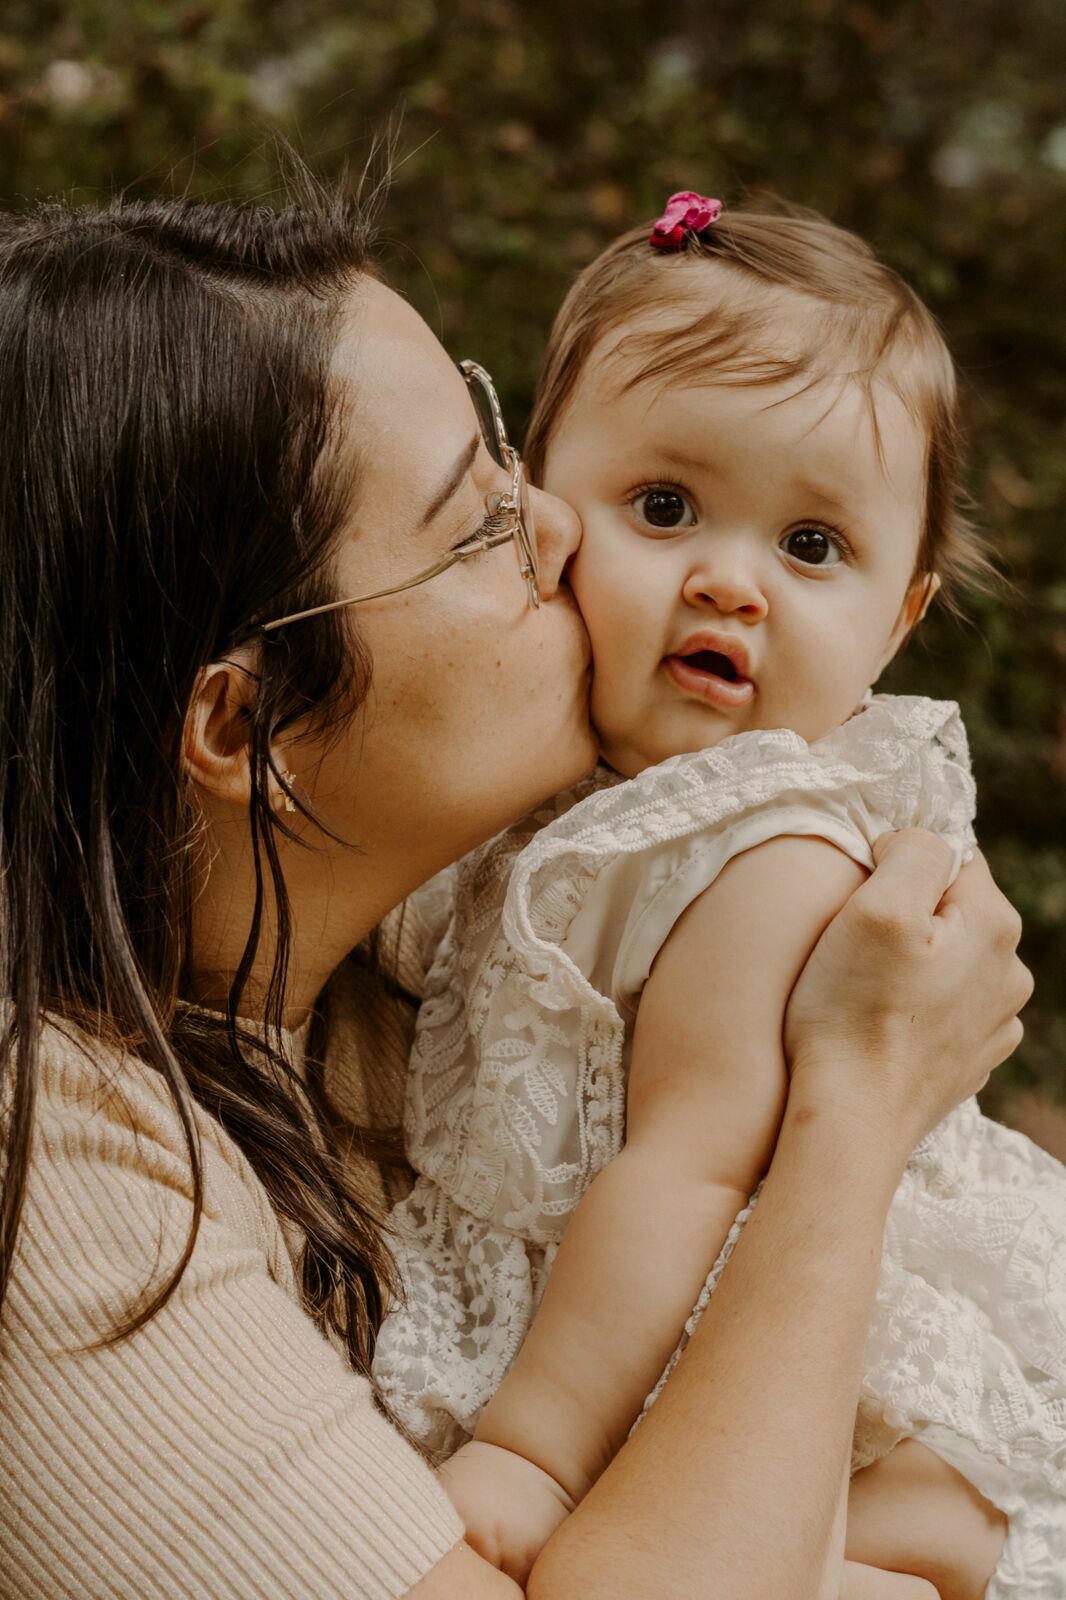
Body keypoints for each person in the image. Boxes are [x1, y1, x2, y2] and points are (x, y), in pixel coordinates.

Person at [0, 188, 1030, 1600]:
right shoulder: (62, 1167)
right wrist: (858, 1103)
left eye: (502, 448)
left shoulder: (387, 971)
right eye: (478, 520)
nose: (554, 527)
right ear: (244, 725)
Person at [371, 197, 1064, 1597]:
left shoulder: (765, 850)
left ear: (898, 620)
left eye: (811, 546)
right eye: (665, 507)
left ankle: (959, 1541)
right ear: (537, 506)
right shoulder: (561, 789)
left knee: (882, 1509)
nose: (730, 583)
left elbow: (691, 1166)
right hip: (618, 1318)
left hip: (787, 1353)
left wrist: (534, 1456)